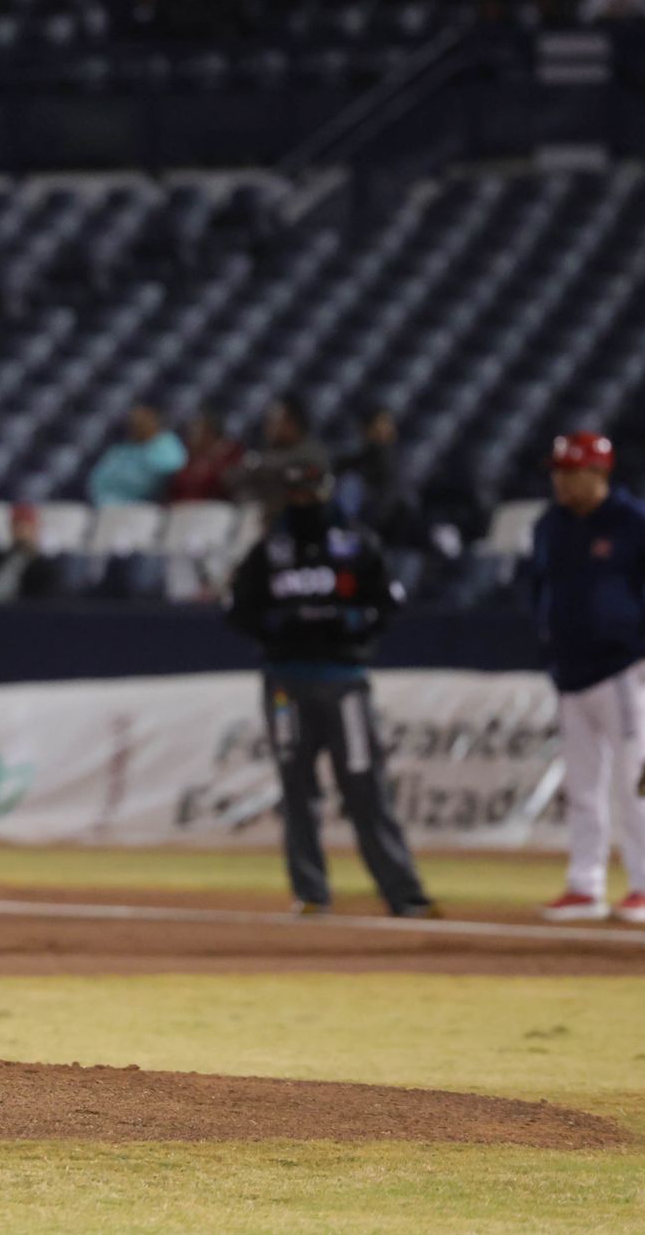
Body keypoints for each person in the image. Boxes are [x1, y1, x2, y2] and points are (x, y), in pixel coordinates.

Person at [226, 460, 438, 919]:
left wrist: (353, 625)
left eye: (311, 493)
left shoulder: (356, 544)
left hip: (343, 681)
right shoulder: (271, 549)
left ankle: (402, 892)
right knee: (297, 790)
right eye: (296, 494)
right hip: (286, 683)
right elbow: (238, 610)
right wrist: (276, 627)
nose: (304, 502)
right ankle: (310, 893)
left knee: (364, 786)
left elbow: (387, 603)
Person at [528, 432, 645, 924]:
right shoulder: (551, 524)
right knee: (582, 786)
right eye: (557, 471)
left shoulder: (631, 520)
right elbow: (537, 585)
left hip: (623, 671)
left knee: (635, 780)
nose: (560, 480)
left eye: (570, 471)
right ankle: (585, 885)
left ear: (598, 473)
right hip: (571, 672)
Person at [233, 394, 330, 517]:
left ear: (291, 424)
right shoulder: (269, 451)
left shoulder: (313, 450)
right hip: (264, 518)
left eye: (274, 422)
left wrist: (264, 468)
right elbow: (237, 477)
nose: (268, 428)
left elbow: (308, 480)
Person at [336, 407, 419, 544]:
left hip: (396, 526)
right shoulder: (364, 457)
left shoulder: (390, 457)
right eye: (382, 423)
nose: (388, 428)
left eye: (388, 423)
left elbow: (389, 499)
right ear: (366, 429)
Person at [88, 403, 187, 505]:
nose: (137, 425)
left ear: (154, 420)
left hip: (147, 507)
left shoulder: (167, 444)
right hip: (108, 506)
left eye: (142, 420)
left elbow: (170, 470)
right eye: (133, 422)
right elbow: (98, 480)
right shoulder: (120, 450)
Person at [164, 411, 245, 502]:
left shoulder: (231, 454)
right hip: (183, 508)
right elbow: (176, 488)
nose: (191, 438)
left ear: (209, 434)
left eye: (196, 433)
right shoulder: (189, 458)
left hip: (217, 508)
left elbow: (228, 485)